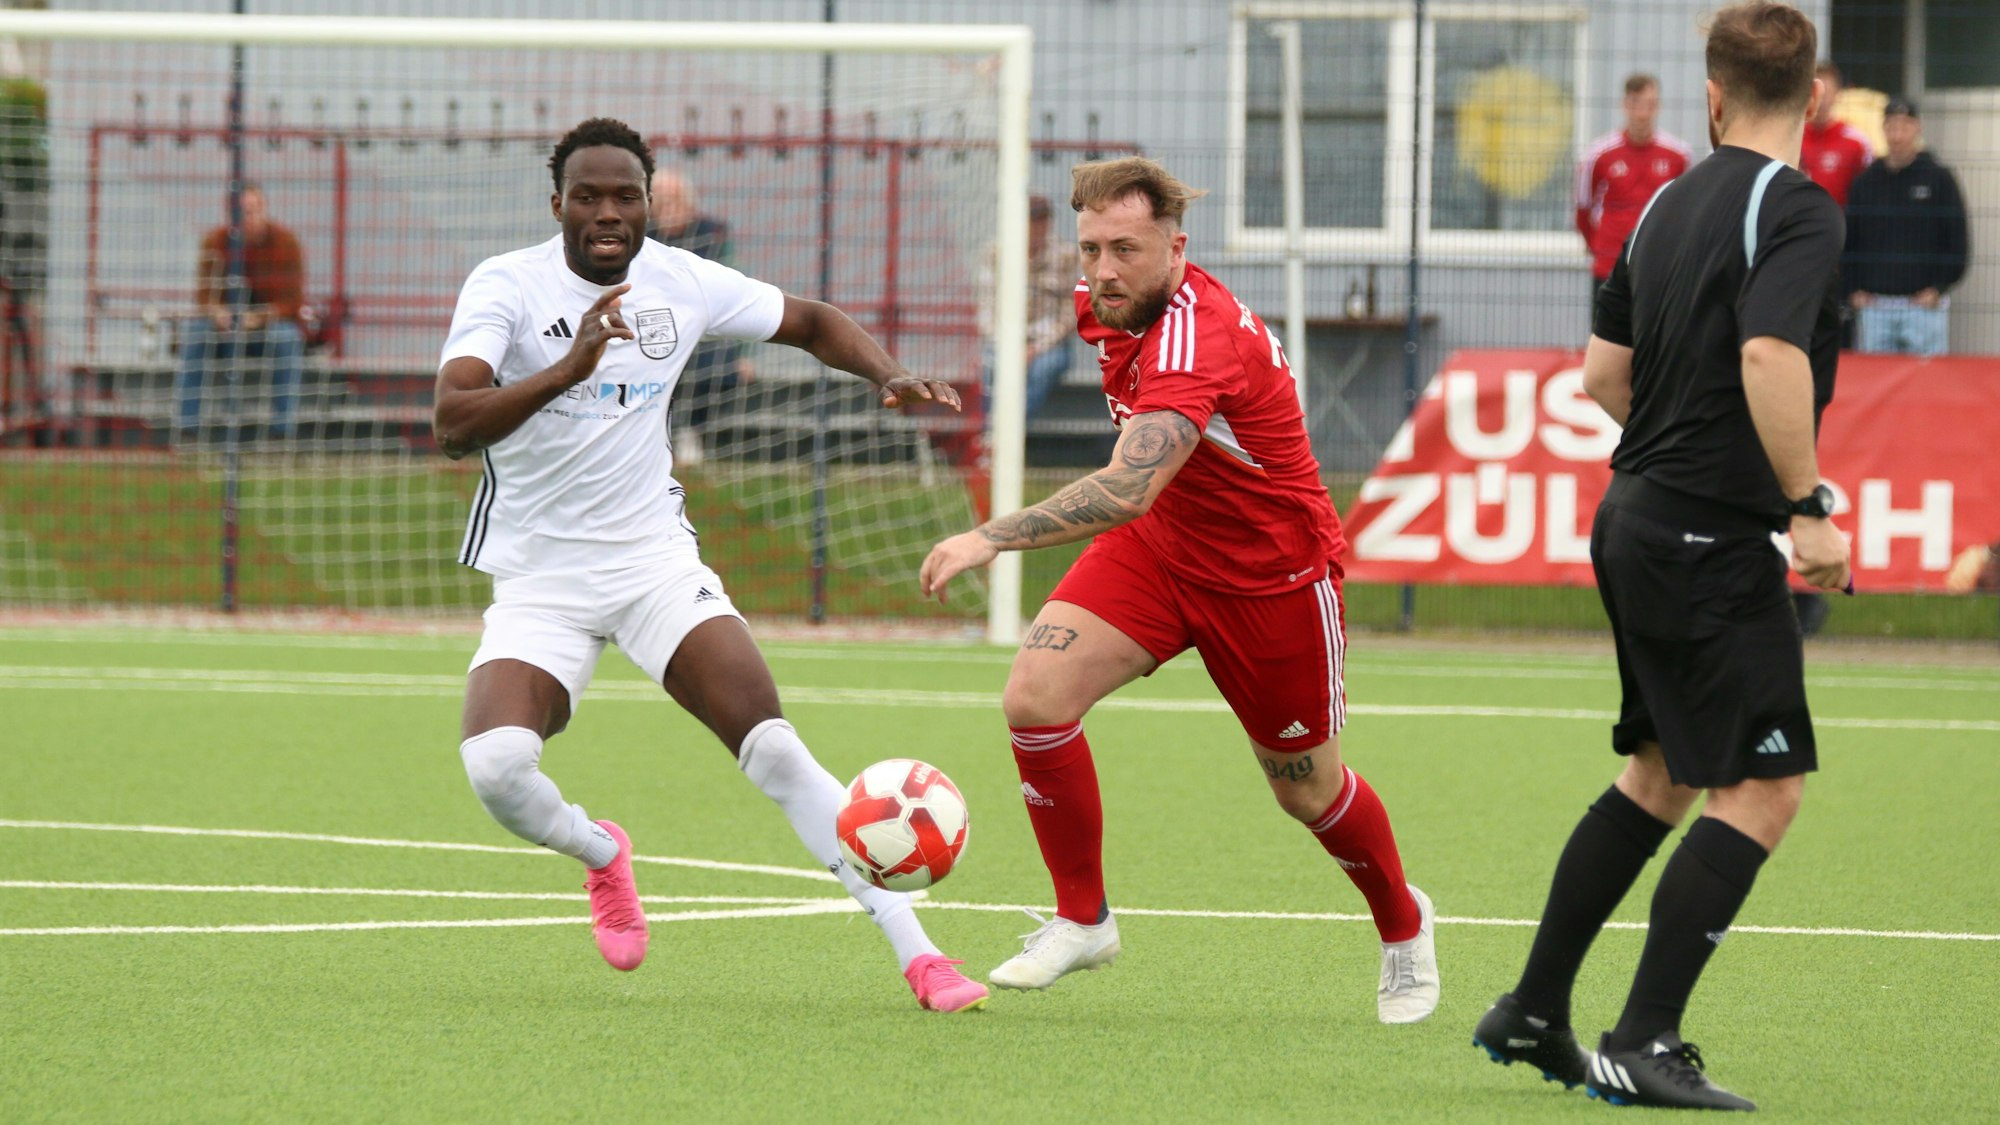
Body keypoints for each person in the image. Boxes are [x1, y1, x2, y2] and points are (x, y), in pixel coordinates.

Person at [433, 117, 987, 1013]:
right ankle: (603, 853)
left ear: (650, 204)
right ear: (558, 206)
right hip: (540, 580)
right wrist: (570, 368)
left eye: (627, 196)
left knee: (774, 747)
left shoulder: (683, 281)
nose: (609, 213)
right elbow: (454, 421)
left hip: (655, 564)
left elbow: (810, 321)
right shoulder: (506, 285)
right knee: (496, 766)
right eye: (589, 197)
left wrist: (884, 373)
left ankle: (922, 956)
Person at [919, 156, 1438, 1024]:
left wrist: (990, 535)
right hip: (1161, 551)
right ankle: (1083, 918)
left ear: (1176, 246)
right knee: (1035, 696)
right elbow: (1144, 500)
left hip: (1270, 577)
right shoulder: (1101, 305)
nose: (1104, 269)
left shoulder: (1199, 334)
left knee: (1305, 789)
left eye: (1126, 248)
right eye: (1091, 249)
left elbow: (1126, 486)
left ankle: (1402, 922)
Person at [1472, 4, 1850, 1110]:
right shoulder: (1798, 212)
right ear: (1812, 95)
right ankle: (1642, 1040)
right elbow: (1771, 352)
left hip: (1632, 514)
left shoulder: (1659, 206)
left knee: (1663, 773)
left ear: (1711, 97)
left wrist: (1683, 450)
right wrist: (1805, 507)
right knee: (1763, 790)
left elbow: (1599, 376)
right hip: (1703, 537)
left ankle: (1532, 1010)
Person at [177, 183, 305, 441]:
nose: (251, 217)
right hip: (225, 332)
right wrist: (218, 312)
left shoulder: (285, 242)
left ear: (264, 209)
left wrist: (259, 317)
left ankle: (283, 430)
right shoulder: (215, 242)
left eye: (255, 210)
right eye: (244, 211)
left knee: (288, 336)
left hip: (266, 328)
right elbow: (204, 296)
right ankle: (187, 426)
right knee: (195, 332)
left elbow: (292, 301)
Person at [1844, 98, 1970, 358]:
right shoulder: (1865, 182)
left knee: (1928, 385)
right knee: (1875, 386)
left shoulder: (1938, 178)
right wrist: (1851, 289)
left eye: (1905, 126)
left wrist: (1938, 288)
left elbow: (1957, 240)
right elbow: (1849, 241)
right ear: (1883, 129)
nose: (1898, 135)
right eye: (1891, 126)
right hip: (1876, 306)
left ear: (1917, 128)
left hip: (1923, 306)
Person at [645, 169, 751, 464]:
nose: (668, 209)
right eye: (661, 203)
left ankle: (692, 429)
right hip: (655, 326)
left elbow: (737, 290)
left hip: (707, 330)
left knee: (721, 367)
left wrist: (743, 355)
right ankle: (664, 433)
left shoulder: (713, 233)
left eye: (674, 201)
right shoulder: (643, 235)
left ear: (689, 203)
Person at [1576, 74, 1692, 312]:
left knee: (1655, 344)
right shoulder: (1598, 155)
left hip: (1659, 267)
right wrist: (1600, 249)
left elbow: (1687, 212)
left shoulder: (1679, 155)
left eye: (1649, 105)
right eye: (1636, 104)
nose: (1642, 113)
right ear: (1625, 105)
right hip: (1610, 265)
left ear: (1657, 107)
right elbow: (1583, 209)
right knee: (1605, 340)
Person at [980, 193, 1079, 425]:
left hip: (1047, 345)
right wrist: (1008, 346)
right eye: (1030, 222)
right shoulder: (996, 254)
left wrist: (1036, 347)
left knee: (1045, 369)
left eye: (1041, 222)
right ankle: (990, 432)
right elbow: (986, 308)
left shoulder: (1066, 256)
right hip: (1002, 341)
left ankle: (1007, 431)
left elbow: (1071, 312)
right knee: (990, 369)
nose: (1036, 229)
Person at [1799, 62, 1872, 207]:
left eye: (1826, 93)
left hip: (1839, 226)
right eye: (1814, 92)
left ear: (1837, 94)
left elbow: (1869, 191)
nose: (1821, 100)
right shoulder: (1792, 137)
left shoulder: (1856, 142)